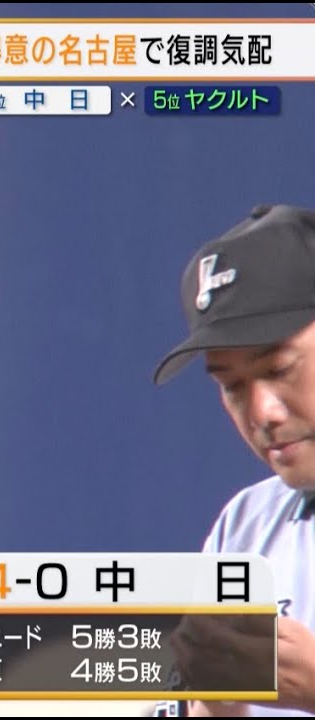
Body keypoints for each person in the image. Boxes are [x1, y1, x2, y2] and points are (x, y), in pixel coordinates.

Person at [152, 204, 315, 717]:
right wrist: (213, 704)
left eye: (279, 368)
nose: (262, 412)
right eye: (232, 386)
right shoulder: (246, 526)